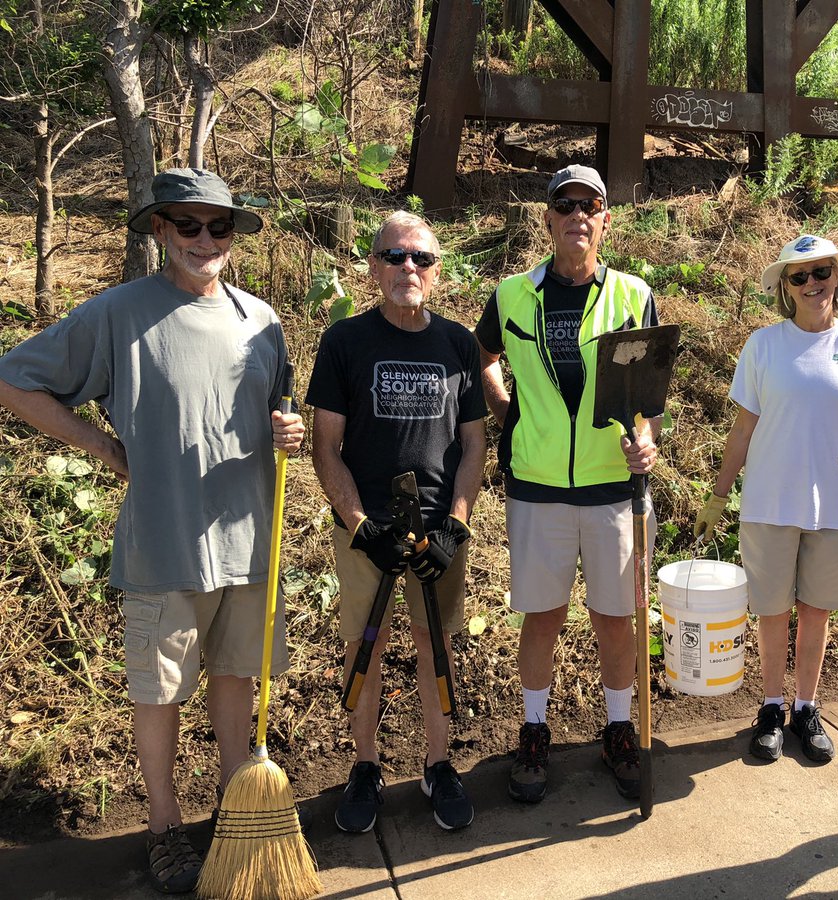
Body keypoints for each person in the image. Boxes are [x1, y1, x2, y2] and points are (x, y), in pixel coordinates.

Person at [0, 168, 305, 894]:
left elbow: (277, 409)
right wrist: (104, 448)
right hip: (163, 546)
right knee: (160, 695)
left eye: (219, 226)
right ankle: (165, 828)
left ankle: (240, 820)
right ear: (161, 231)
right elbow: (14, 379)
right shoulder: (117, 313)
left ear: (234, 234)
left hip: (250, 546)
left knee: (236, 684)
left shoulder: (260, 319)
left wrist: (287, 431)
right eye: (188, 225)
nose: (205, 240)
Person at [475, 165, 659, 803]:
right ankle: (533, 730)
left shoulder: (634, 295)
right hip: (538, 487)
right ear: (547, 219)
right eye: (566, 205)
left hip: (615, 487)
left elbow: (649, 388)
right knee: (543, 616)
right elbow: (485, 361)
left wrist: (649, 441)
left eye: (592, 205)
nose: (579, 215)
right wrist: (511, 417)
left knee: (617, 617)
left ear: (606, 220)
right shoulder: (509, 296)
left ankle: (616, 728)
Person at [307, 211, 485, 833]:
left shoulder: (458, 343)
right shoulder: (345, 342)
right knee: (367, 648)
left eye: (421, 259)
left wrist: (455, 526)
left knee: (437, 648)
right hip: (368, 533)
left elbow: (473, 446)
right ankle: (365, 767)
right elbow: (324, 447)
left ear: (436, 272)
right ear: (374, 264)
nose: (408, 267)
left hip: (437, 530)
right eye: (395, 256)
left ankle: (439, 765)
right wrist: (361, 526)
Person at [693, 234, 838, 764]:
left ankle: (806, 706)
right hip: (768, 502)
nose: (812, 284)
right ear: (785, 287)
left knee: (816, 612)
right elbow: (742, 429)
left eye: (821, 272)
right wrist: (718, 496)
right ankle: (770, 706)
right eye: (799, 276)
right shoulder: (764, 345)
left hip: (836, 507)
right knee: (772, 612)